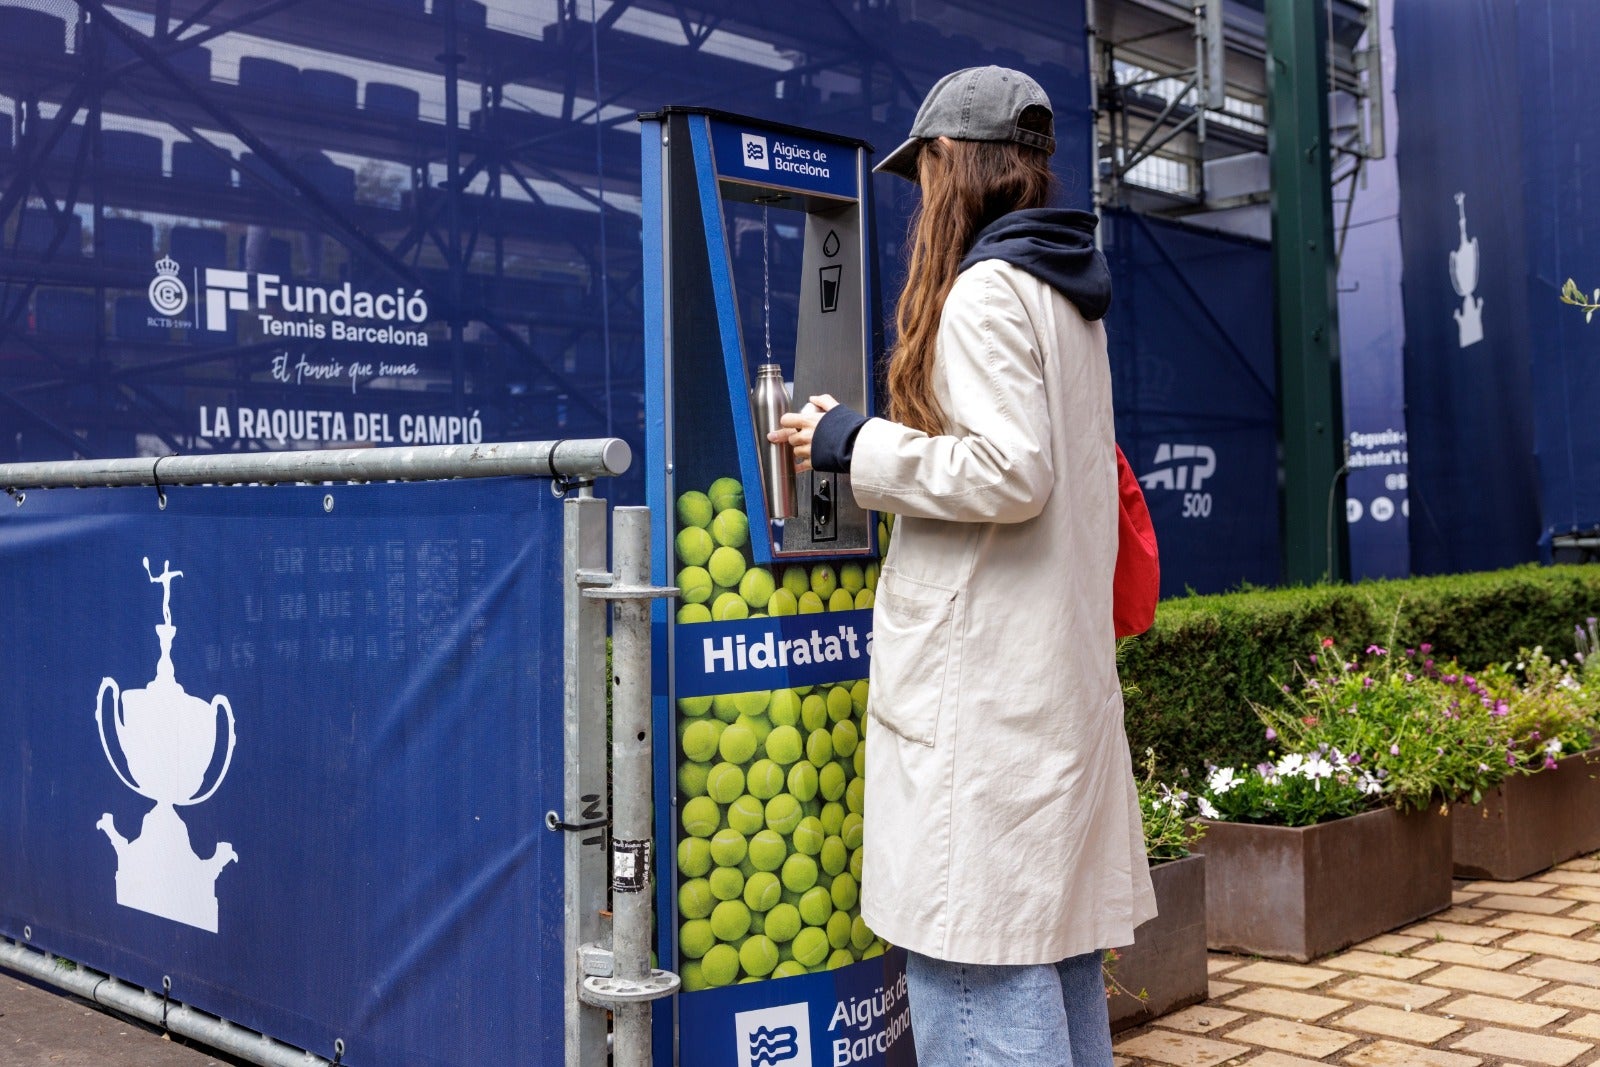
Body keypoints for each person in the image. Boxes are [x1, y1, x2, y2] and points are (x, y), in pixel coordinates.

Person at [770, 66, 1155, 1066]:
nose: (919, 194)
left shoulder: (986, 292)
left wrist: (854, 443)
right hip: (1041, 688)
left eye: (925, 167)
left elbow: (1008, 470)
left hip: (985, 705)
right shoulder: (1064, 294)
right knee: (1051, 964)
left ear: (954, 162)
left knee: (975, 971)